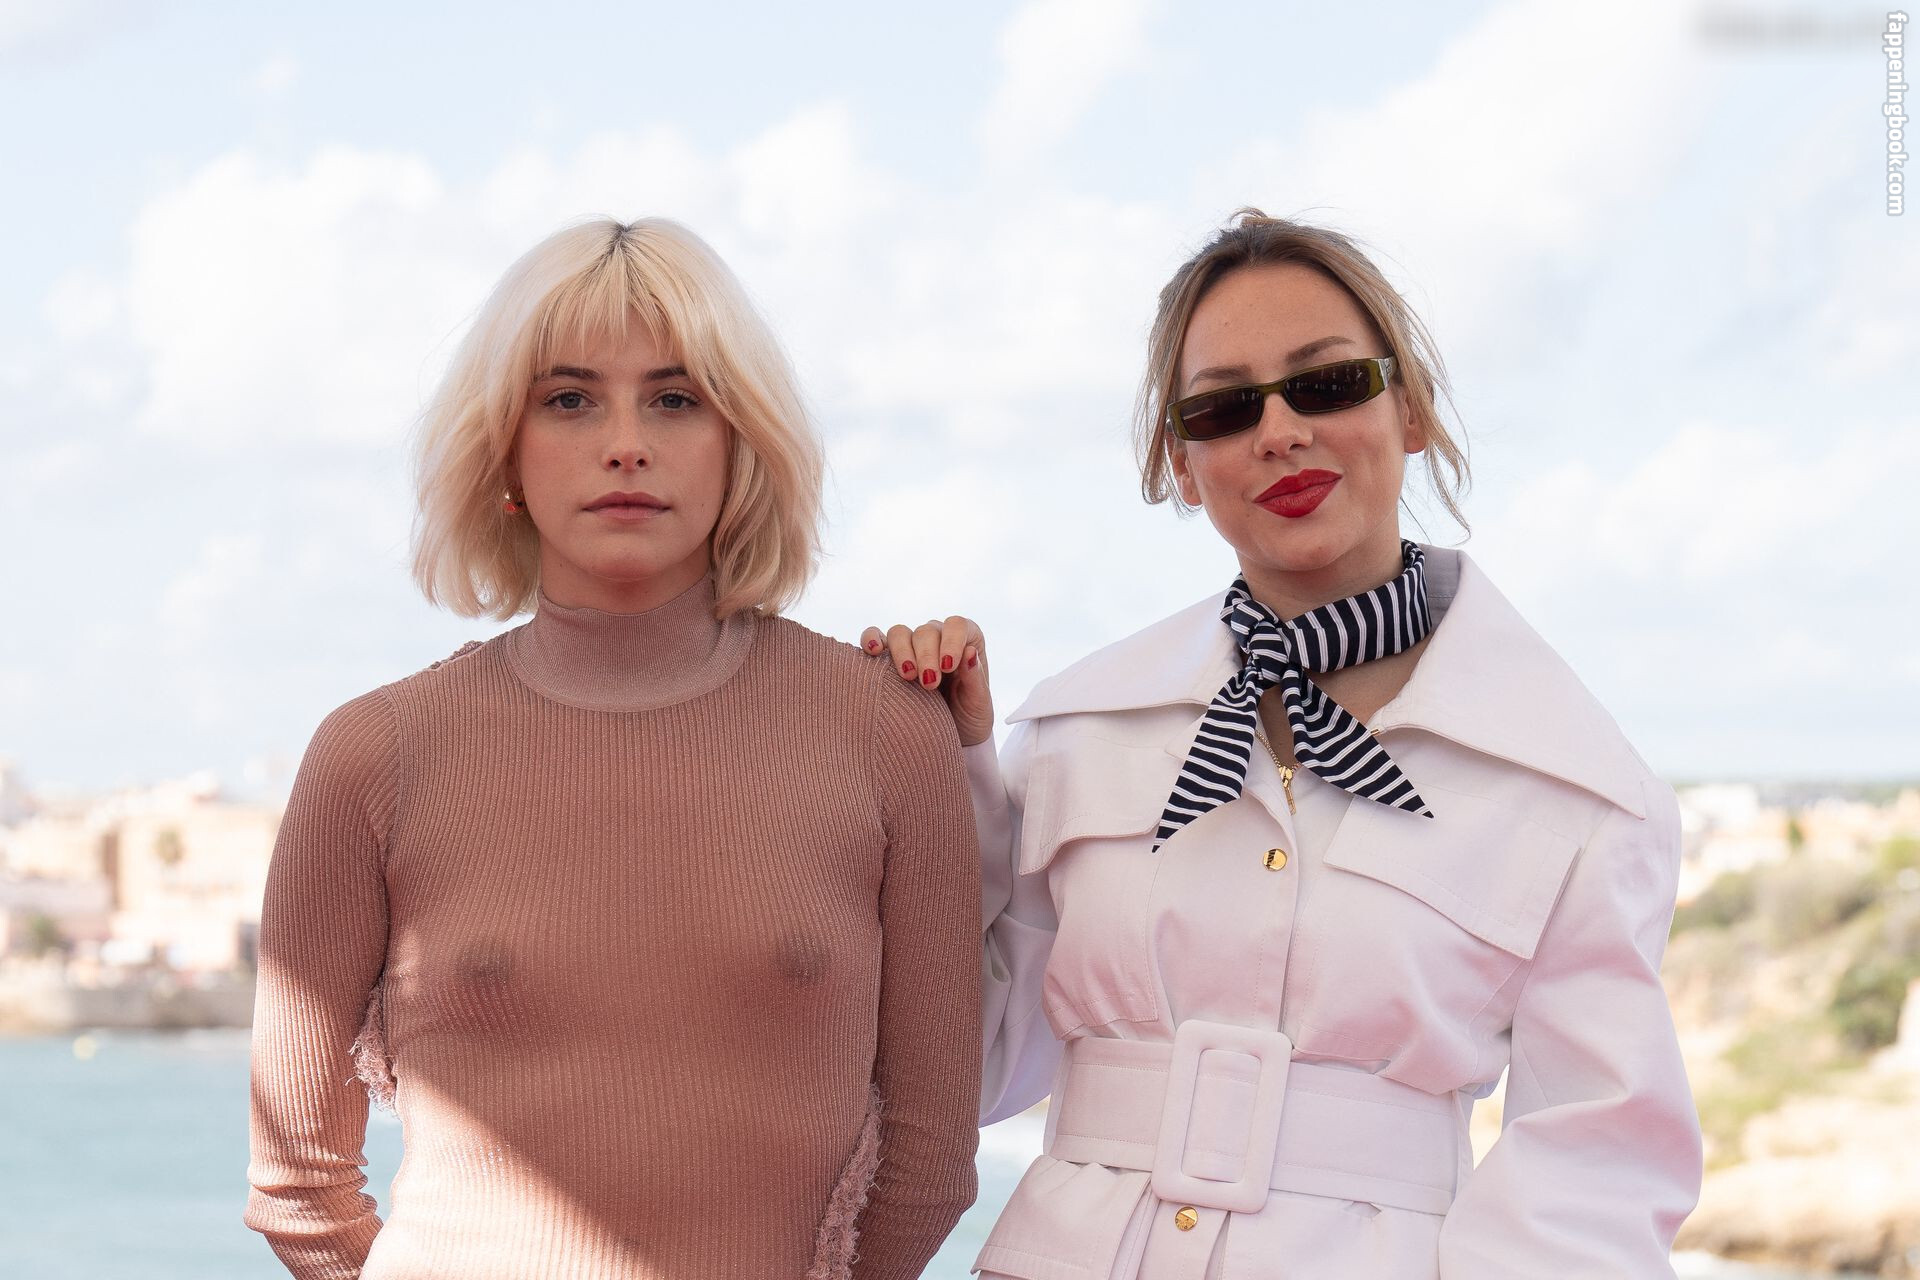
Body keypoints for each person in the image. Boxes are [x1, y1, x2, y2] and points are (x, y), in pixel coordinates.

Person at [866, 210, 1701, 1278]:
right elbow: (964, 1069)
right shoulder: (1075, 734)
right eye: (1224, 407)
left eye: (1327, 384)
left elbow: (1594, 1184)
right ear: (1181, 462)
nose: (1279, 432)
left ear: (1410, 407)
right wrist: (936, 781)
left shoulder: (1580, 793)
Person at [246, 217, 981, 1280]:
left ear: (740, 442)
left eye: (675, 400)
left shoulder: (888, 732)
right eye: (569, 399)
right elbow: (297, 1179)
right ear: (505, 448)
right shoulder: (375, 753)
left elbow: (930, 1163)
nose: (625, 442)